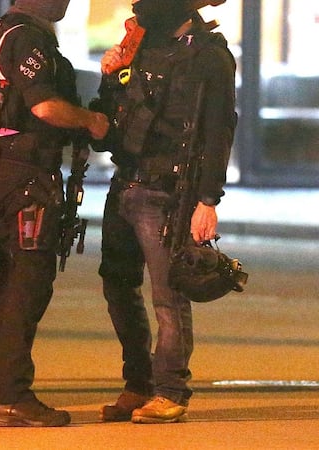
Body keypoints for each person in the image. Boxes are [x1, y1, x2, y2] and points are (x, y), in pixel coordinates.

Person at [0, 0, 108, 427]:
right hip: (29, 178)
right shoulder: (29, 38)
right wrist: (91, 121)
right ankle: (12, 397)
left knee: (7, 289)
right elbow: (44, 107)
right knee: (25, 289)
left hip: (6, 172)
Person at [94, 0, 236, 424]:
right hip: (126, 181)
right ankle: (138, 383)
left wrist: (208, 200)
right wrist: (109, 77)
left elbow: (219, 129)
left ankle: (171, 391)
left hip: (169, 190)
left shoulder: (210, 55)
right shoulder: (138, 43)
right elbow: (111, 117)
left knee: (168, 297)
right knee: (117, 285)